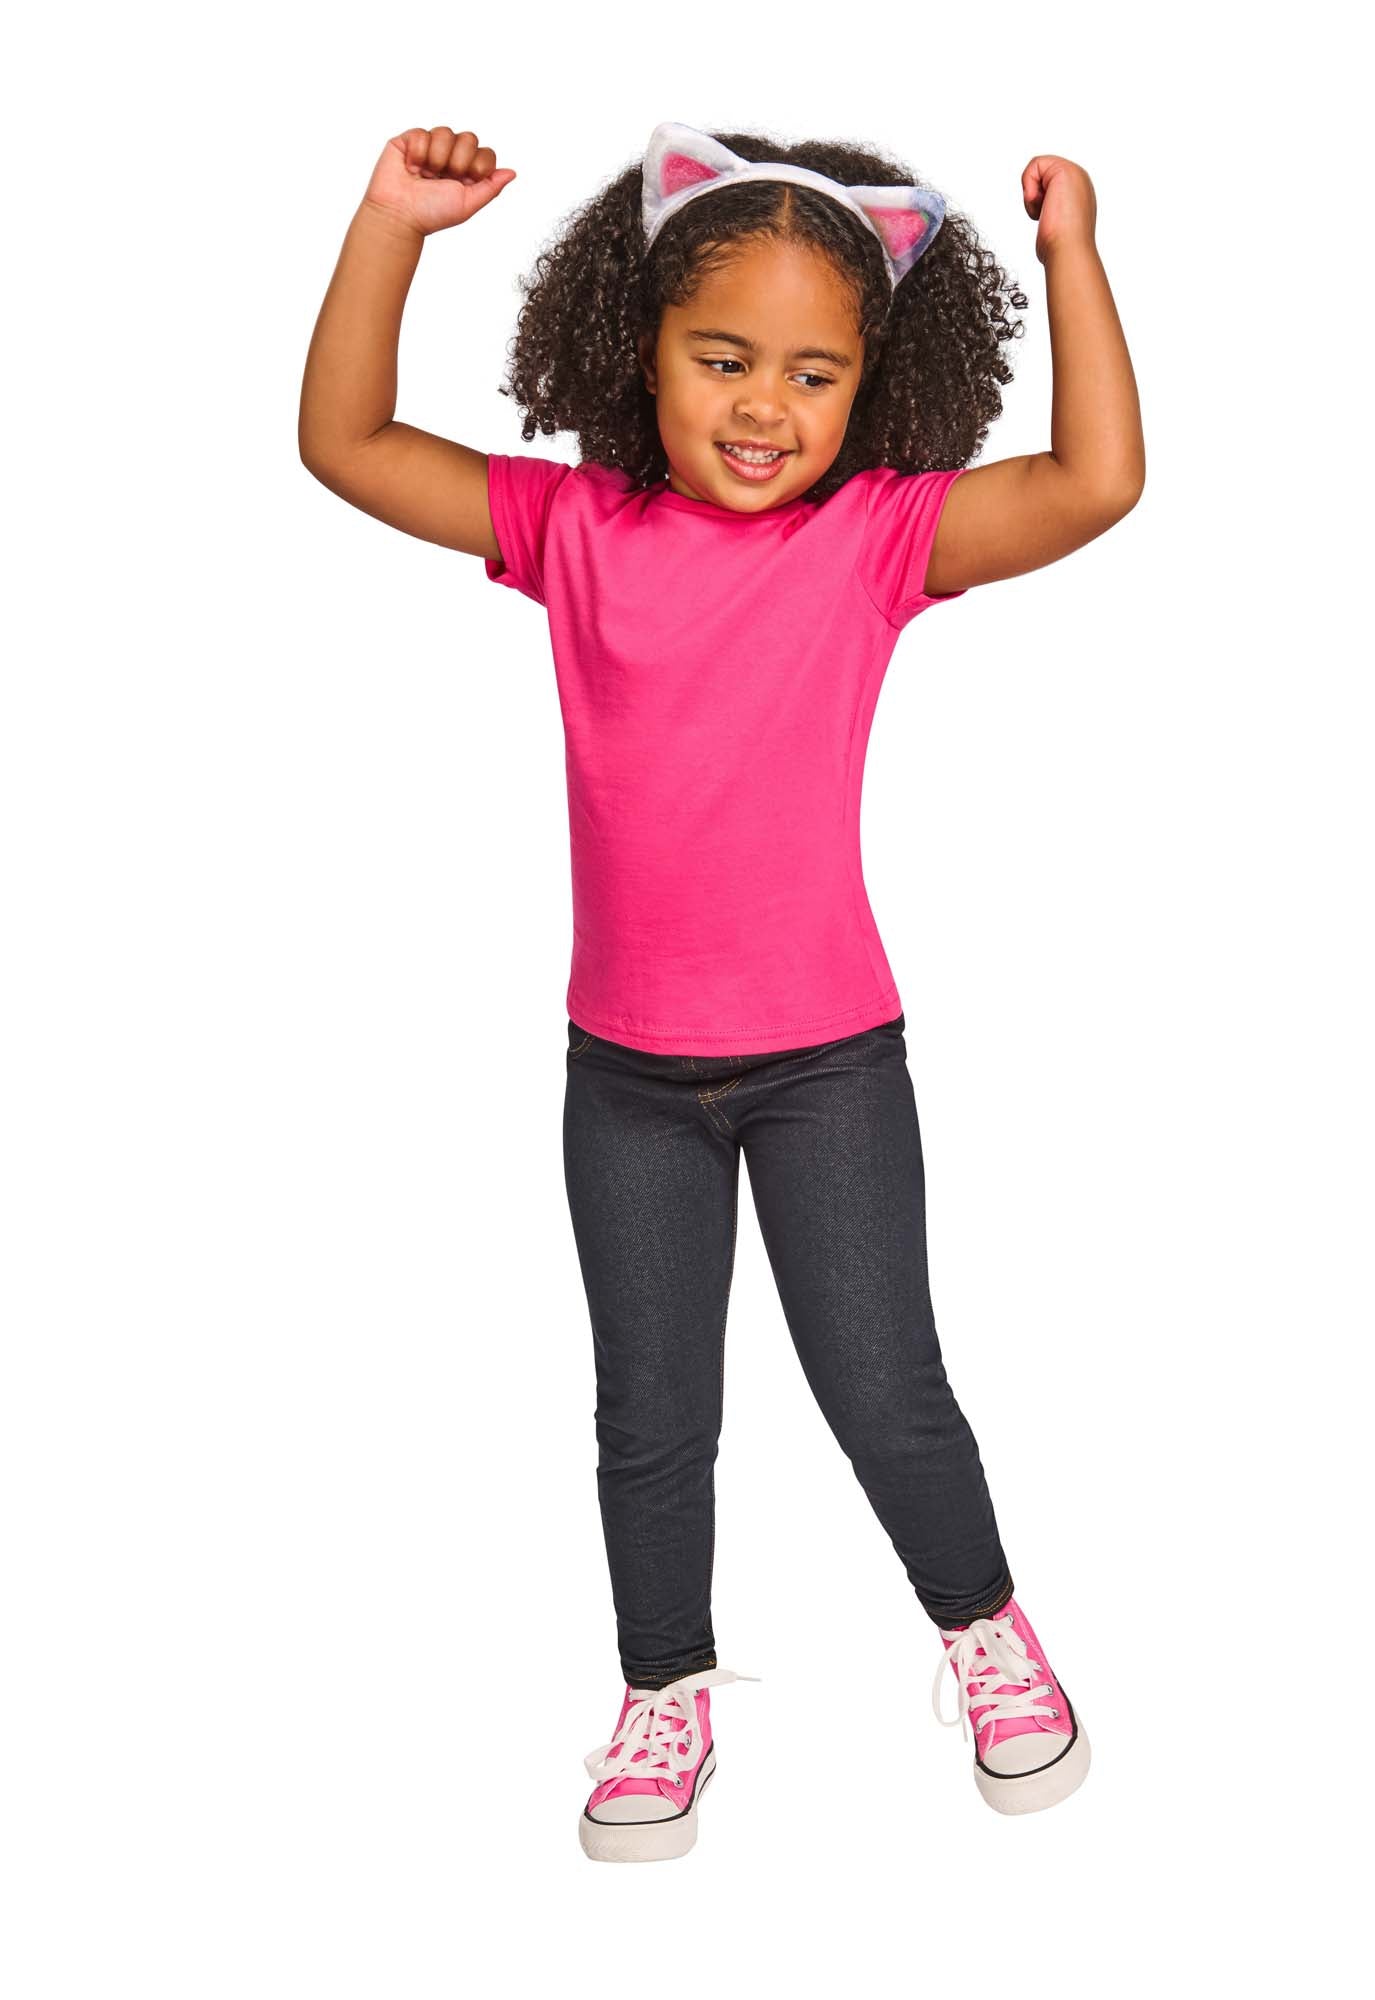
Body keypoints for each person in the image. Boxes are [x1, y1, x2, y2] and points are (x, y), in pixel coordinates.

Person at [300, 117, 1145, 1865]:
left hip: (828, 1066)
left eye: (814, 374)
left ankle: (986, 1629)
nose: (766, 406)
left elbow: (1093, 485)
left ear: (872, 389)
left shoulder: (875, 540)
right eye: (724, 357)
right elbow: (347, 443)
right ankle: (662, 1688)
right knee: (649, 1414)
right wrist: (390, 226)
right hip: (622, 1078)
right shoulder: (572, 526)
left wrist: (1076, 257)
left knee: (883, 1384)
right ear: (643, 348)